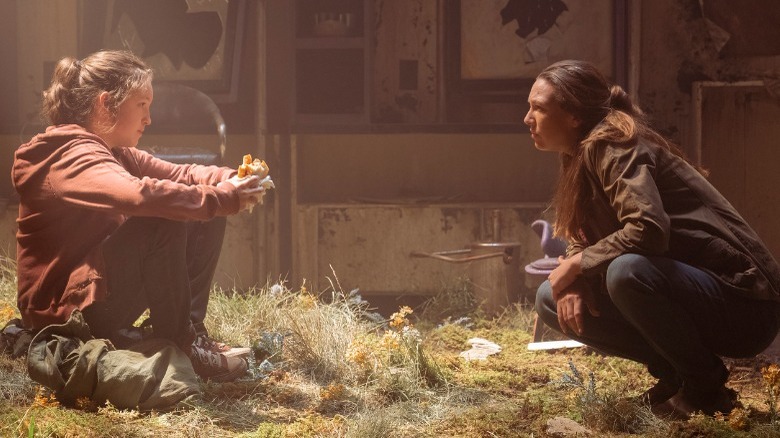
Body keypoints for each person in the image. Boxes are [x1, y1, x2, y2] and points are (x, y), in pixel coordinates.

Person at [527, 60, 780, 419]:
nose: (527, 118)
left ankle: (703, 384)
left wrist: (577, 265)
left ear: (573, 116)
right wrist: (575, 277)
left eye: (538, 107)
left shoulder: (613, 146)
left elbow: (649, 229)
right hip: (692, 291)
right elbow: (582, 233)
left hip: (746, 304)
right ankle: (677, 376)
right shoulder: (577, 154)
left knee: (627, 272)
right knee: (550, 297)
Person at [12, 50, 265, 382]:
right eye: (142, 105)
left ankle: (192, 332)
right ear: (106, 104)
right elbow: (139, 195)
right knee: (164, 217)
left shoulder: (111, 152)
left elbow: (184, 174)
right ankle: (183, 348)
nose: (149, 119)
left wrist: (232, 179)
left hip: (93, 293)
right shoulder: (67, 157)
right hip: (64, 316)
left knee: (203, 207)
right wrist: (222, 197)